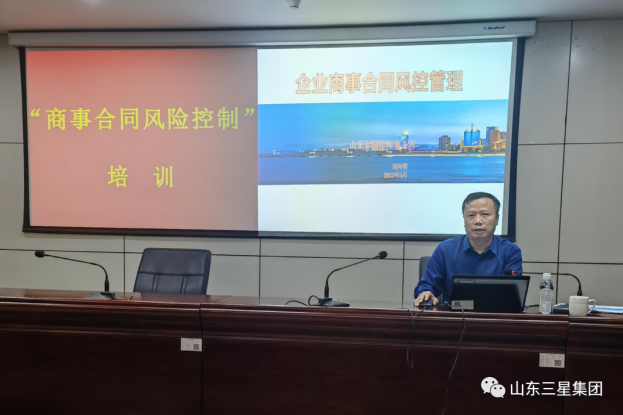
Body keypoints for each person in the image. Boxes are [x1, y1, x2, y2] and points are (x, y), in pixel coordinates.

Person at [414, 192, 522, 307]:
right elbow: (426, 285)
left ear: (497, 219)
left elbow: (513, 293)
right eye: (471, 215)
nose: (478, 221)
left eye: (485, 214)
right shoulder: (445, 250)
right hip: (454, 316)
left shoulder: (510, 252)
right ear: (464, 220)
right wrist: (425, 293)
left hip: (496, 315)